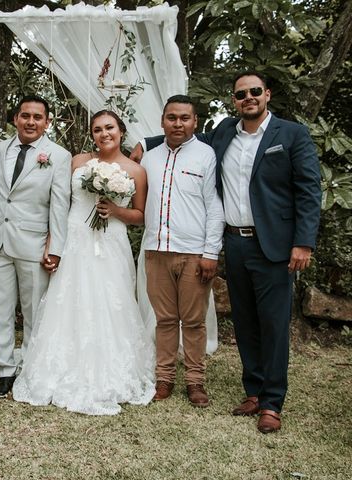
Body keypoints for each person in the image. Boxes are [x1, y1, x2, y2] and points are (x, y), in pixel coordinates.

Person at [134, 72, 321, 433]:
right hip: (234, 243)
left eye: (254, 92)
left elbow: (309, 190)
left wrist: (303, 242)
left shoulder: (291, 135)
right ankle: (253, 391)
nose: (248, 98)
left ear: (266, 94)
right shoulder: (224, 133)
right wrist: (144, 141)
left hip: (274, 246)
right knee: (246, 321)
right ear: (234, 100)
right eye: (240, 94)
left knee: (274, 324)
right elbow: (184, 135)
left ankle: (272, 401)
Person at [12, 110, 156, 415]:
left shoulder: (136, 170)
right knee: (68, 302)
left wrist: (115, 211)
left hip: (110, 243)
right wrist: (53, 245)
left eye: (110, 128)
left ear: (121, 131)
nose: (104, 134)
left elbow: (141, 216)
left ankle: (111, 371)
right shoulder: (77, 162)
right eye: (97, 129)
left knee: (110, 302)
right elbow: (58, 205)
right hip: (75, 239)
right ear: (92, 134)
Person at [0, 95, 71, 398]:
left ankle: (32, 368)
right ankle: (5, 370)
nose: (30, 122)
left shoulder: (58, 155)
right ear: (15, 119)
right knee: (1, 311)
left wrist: (55, 247)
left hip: (35, 245)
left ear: (47, 122)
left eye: (37, 117)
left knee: (35, 312)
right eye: (25, 116)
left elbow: (59, 206)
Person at [141, 95, 224, 408]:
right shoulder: (149, 157)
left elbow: (215, 207)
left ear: (195, 122)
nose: (178, 123)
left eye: (184, 118)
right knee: (164, 319)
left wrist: (211, 252)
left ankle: (195, 381)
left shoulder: (206, 156)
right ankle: (164, 378)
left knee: (193, 321)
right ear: (162, 121)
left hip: (193, 254)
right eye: (172, 117)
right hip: (156, 251)